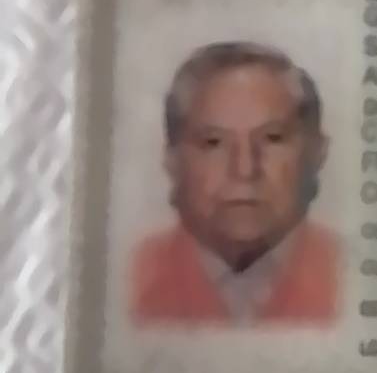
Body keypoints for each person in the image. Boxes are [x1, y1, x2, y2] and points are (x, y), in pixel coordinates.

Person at [131, 41, 340, 324]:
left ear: (317, 153)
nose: (244, 169)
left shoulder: (358, 278)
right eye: (213, 142)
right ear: (172, 161)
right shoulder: (125, 279)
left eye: (272, 138)